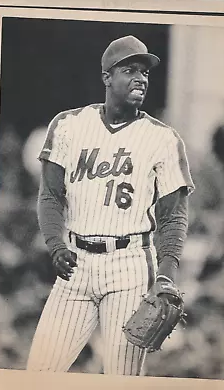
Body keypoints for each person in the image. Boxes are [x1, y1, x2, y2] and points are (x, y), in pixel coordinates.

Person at [26, 35, 195, 375]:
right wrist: (56, 245)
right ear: (107, 77)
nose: (141, 78)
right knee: (39, 371)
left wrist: (166, 275)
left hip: (130, 264)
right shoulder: (69, 126)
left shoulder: (163, 138)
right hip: (76, 261)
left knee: (122, 378)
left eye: (145, 73)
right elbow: (50, 197)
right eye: (130, 70)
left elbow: (173, 217)